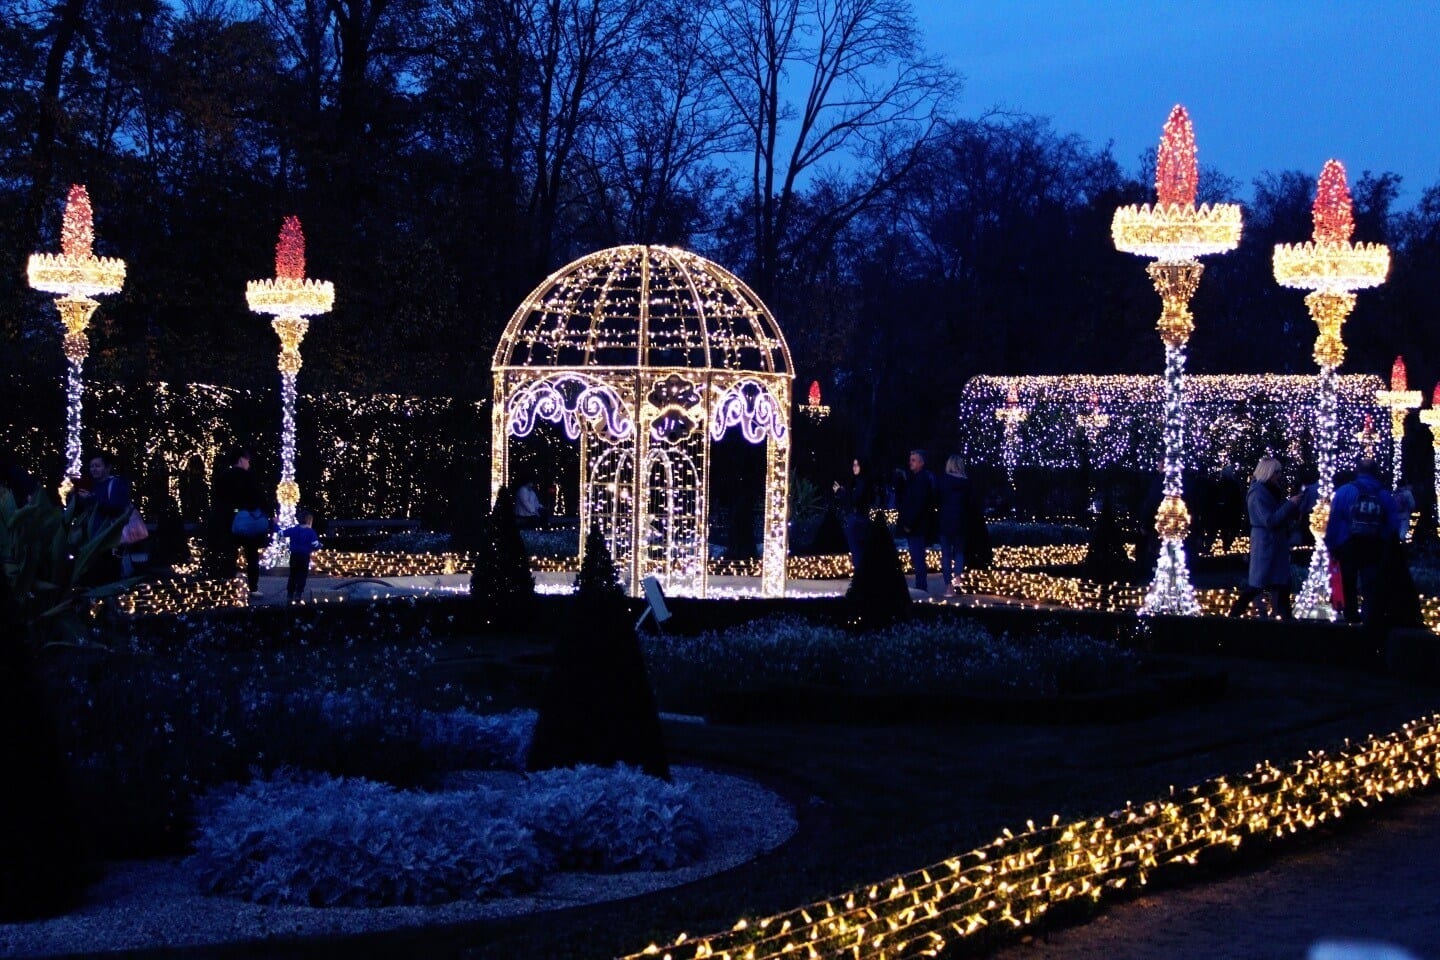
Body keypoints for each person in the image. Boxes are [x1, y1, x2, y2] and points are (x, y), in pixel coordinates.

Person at [1326, 458, 1400, 625]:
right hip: (1375, 545)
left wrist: (1331, 545)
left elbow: (1334, 521)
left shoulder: (1344, 491)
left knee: (1348, 582)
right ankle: (1369, 620)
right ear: (1376, 472)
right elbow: (1393, 525)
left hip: (1348, 544)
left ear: (1357, 472)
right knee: (1371, 584)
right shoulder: (1384, 494)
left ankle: (1350, 618)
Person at [1228, 456, 1300, 620]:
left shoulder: (1271, 491)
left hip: (1275, 542)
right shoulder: (1257, 494)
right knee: (1258, 583)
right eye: (1277, 472)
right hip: (1265, 542)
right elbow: (1269, 520)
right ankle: (1235, 614)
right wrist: (1290, 505)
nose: (1279, 476)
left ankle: (1284, 616)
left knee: (1280, 584)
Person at [210, 447, 270, 594]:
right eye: (247, 459)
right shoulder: (248, 477)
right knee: (252, 555)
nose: (249, 462)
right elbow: (258, 495)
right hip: (247, 519)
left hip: (228, 520)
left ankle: (228, 586)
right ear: (241, 459)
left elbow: (217, 498)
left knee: (230, 553)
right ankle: (253, 588)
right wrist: (269, 511)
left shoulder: (223, 477)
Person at [75, 451, 133, 582]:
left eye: (97, 466)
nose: (94, 469)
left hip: (109, 539)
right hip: (91, 540)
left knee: (107, 576)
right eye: (91, 466)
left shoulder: (115, 484)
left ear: (107, 467)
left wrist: (91, 498)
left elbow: (116, 507)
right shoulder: (91, 485)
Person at [897, 449, 936, 592]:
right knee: (917, 556)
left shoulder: (921, 480)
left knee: (918, 556)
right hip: (916, 525)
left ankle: (921, 586)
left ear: (921, 462)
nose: (910, 462)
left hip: (917, 526)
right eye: (910, 459)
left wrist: (909, 523)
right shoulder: (916, 479)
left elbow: (919, 503)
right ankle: (921, 585)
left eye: (913, 460)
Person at [833, 457, 875, 575]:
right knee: (860, 551)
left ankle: (861, 578)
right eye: (853, 465)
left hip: (857, 519)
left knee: (857, 551)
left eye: (857, 465)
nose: (854, 468)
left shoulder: (862, 482)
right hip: (861, 518)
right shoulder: (860, 482)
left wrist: (841, 493)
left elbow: (854, 500)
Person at [936, 455, 971, 596]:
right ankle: (957, 581)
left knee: (946, 555)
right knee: (959, 553)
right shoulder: (966, 483)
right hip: (961, 521)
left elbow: (937, 500)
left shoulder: (943, 481)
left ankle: (948, 587)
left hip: (945, 520)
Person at [283, 509, 322, 602]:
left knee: (293, 574)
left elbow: (282, 533)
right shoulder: (311, 532)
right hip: (304, 556)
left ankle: (290, 593)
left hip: (294, 555)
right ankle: (298, 593)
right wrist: (320, 546)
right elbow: (315, 544)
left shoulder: (294, 530)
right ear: (309, 520)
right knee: (302, 575)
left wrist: (275, 525)